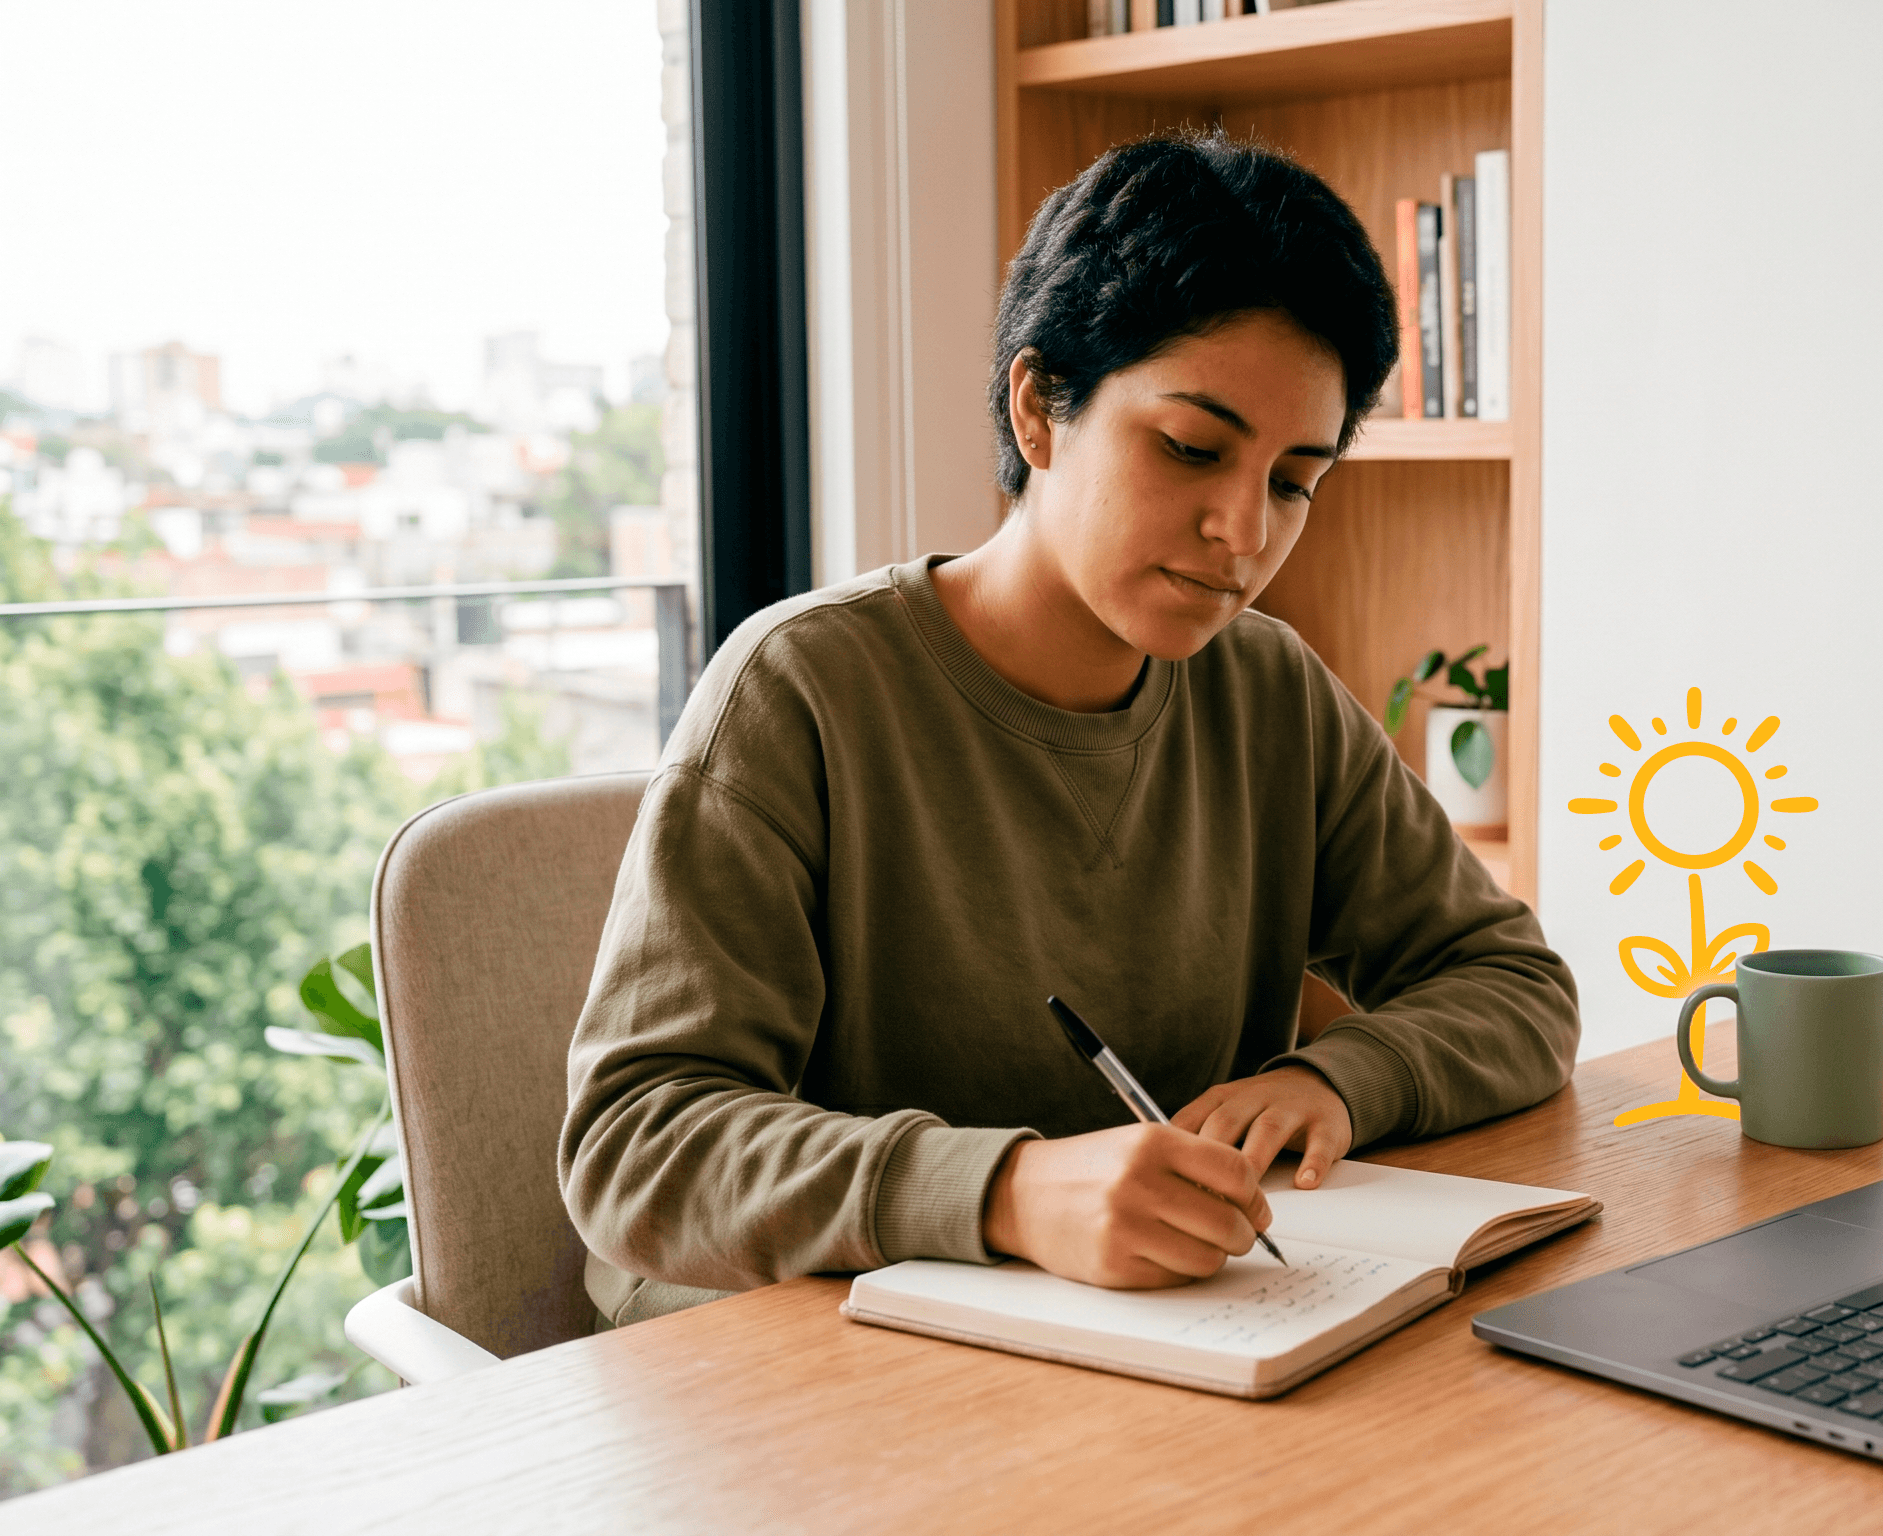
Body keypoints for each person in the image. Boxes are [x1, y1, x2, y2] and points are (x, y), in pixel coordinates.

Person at [560, 130, 1579, 1322]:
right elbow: (637, 1146)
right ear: (1039, 408)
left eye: (1294, 480)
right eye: (1192, 449)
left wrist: (1341, 1079)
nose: (1245, 533)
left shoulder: (1267, 691)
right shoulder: (798, 691)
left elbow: (1514, 985)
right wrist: (1006, 1191)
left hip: (1149, 1345)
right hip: (809, 1366)